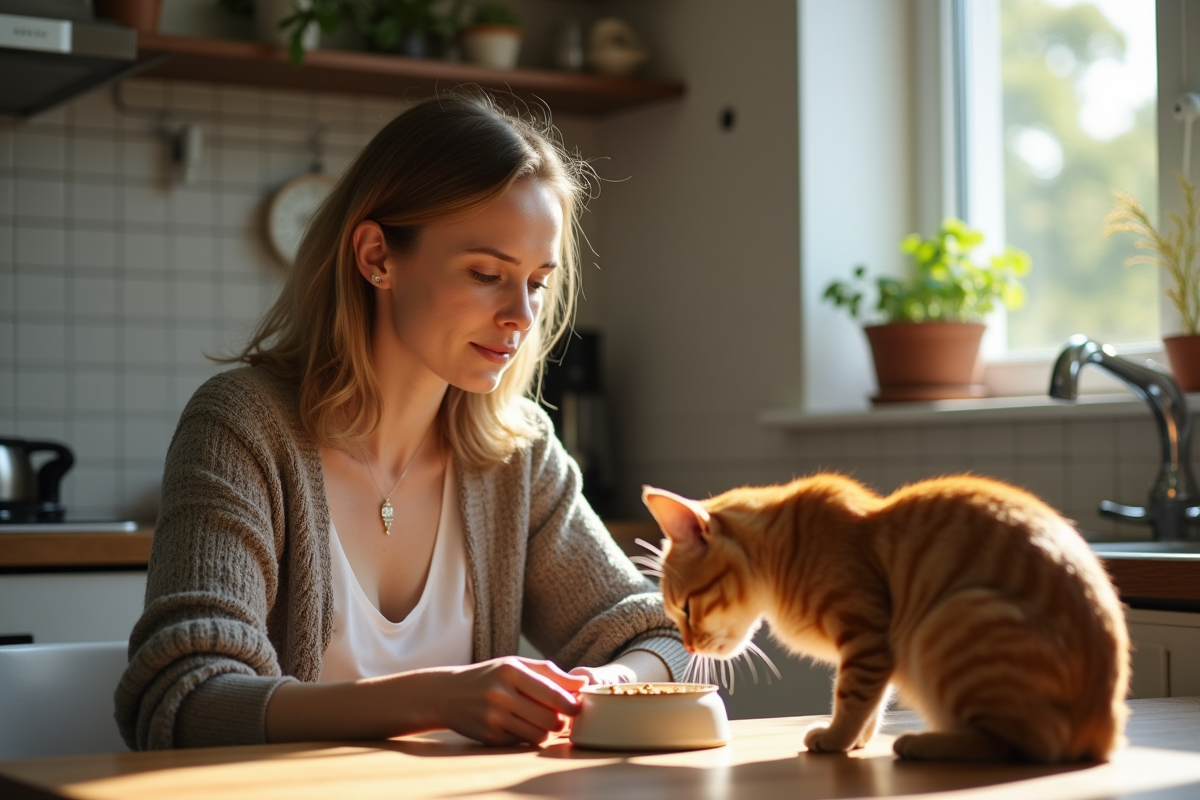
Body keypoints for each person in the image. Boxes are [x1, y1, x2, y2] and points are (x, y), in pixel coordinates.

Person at [114, 93, 687, 751]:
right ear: (376, 257)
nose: (523, 317)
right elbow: (184, 701)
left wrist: (601, 688)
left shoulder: (517, 453)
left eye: (535, 282)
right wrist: (436, 698)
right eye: (486, 273)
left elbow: (660, 636)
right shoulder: (243, 425)